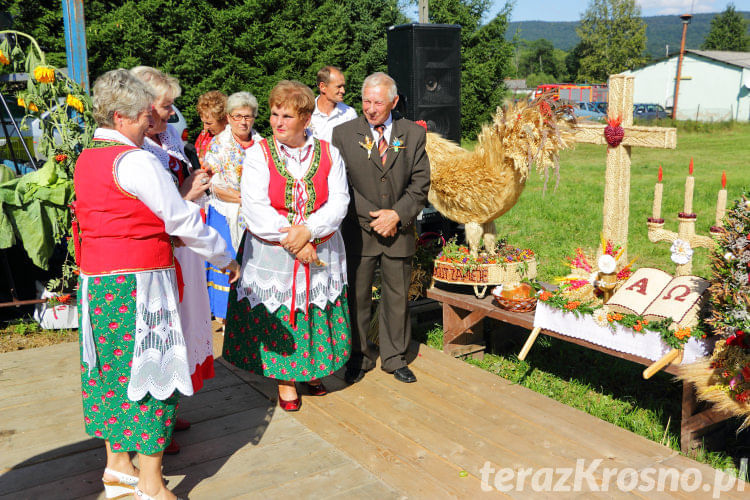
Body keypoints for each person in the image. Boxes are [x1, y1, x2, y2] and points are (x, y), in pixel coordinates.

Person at [73, 68, 239, 500]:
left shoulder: (88, 155)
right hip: (138, 283)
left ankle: (117, 469)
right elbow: (181, 218)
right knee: (152, 377)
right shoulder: (136, 161)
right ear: (119, 117)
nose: (150, 121)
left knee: (112, 372)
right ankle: (150, 484)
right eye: (142, 115)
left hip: (99, 284)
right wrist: (224, 255)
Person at [222, 80, 351, 411]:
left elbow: (339, 201)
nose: (277, 122)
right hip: (273, 250)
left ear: (306, 120)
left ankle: (311, 369)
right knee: (283, 312)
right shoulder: (258, 154)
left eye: (287, 116)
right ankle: (286, 379)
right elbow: (255, 206)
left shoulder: (329, 152)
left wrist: (308, 230)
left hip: (319, 244)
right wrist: (293, 239)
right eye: (274, 114)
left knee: (315, 308)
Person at [132, 66, 213, 455]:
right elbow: (157, 208)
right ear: (144, 106)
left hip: (185, 248)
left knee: (180, 329)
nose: (170, 113)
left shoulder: (165, 140)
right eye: (165, 106)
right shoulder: (138, 152)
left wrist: (194, 185)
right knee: (162, 331)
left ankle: (170, 405)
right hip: (162, 254)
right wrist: (187, 190)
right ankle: (154, 422)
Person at [331, 72, 430, 385]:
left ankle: (394, 357)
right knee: (357, 297)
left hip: (398, 231)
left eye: (377, 102)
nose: (370, 108)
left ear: (394, 101)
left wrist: (397, 215)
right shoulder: (343, 134)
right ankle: (357, 357)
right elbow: (339, 184)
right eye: (365, 101)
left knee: (397, 296)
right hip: (359, 231)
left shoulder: (412, 134)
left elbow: (420, 182)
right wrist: (374, 217)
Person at [202, 92, 262, 322]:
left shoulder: (261, 143)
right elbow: (213, 185)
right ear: (228, 117)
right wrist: (242, 198)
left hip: (255, 215)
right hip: (226, 214)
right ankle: (228, 323)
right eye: (238, 116)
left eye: (248, 116)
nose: (243, 121)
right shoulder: (219, 144)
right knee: (229, 266)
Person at [309, 66, 357, 143]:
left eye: (343, 86)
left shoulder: (349, 115)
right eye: (339, 86)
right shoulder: (306, 112)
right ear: (323, 87)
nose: (343, 91)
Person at [195, 90, 228, 168]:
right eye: (203, 122)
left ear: (225, 119)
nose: (205, 127)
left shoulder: (235, 140)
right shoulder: (205, 134)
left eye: (209, 123)